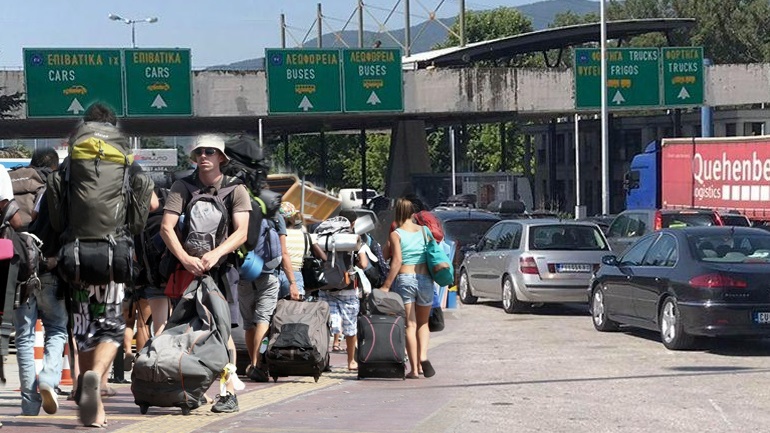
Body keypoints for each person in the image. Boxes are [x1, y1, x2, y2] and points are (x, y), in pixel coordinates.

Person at [160, 133, 250, 413]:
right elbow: (166, 227)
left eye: (210, 152)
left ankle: (227, 393)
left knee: (223, 331)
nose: (203, 156)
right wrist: (186, 259)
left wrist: (216, 254)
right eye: (199, 152)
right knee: (181, 330)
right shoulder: (182, 187)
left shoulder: (236, 189)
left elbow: (242, 232)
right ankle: (188, 389)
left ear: (221, 158)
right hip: (186, 271)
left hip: (221, 271)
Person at [12, 149, 68, 416]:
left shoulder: (10, 181)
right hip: (49, 267)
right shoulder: (51, 188)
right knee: (56, 328)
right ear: (54, 166)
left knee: (23, 337)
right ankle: (48, 377)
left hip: (17, 268)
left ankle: (29, 404)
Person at [380, 196, 436, 379]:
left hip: (405, 278)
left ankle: (414, 370)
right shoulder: (425, 231)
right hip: (425, 278)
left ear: (397, 214)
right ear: (413, 213)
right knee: (423, 323)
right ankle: (423, 357)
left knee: (410, 325)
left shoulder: (396, 234)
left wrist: (386, 285)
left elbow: (395, 260)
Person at [311, 215, 368, 371]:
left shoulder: (324, 237)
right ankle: (351, 361)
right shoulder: (353, 239)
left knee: (326, 328)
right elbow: (363, 264)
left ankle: (324, 362)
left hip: (325, 288)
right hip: (347, 290)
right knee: (350, 328)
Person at [278, 201, 306, 299]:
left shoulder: (275, 234)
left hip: (275, 273)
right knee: (293, 311)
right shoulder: (304, 236)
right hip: (295, 274)